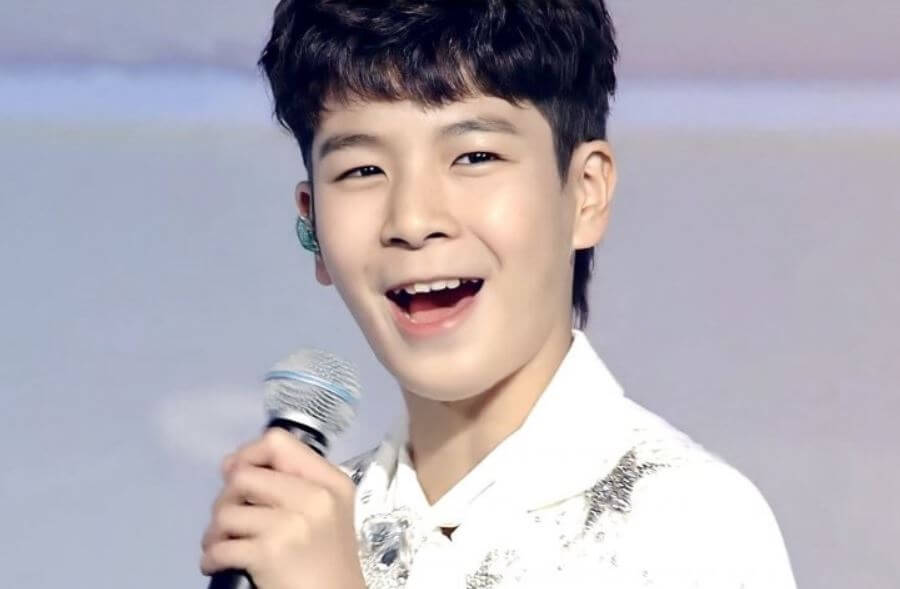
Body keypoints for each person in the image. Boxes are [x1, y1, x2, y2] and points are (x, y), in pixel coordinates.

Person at [200, 1, 797, 587]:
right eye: (362, 170)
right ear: (312, 223)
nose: (413, 220)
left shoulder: (689, 524)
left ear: (585, 193)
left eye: (474, 156)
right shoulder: (302, 538)